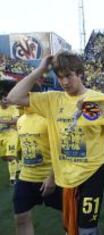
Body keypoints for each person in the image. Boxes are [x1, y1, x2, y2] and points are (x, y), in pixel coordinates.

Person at [7, 52, 104, 235]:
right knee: (73, 229)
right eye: (60, 77)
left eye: (69, 76)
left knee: (86, 229)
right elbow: (12, 98)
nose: (64, 82)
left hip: (92, 173)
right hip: (65, 178)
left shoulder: (97, 100)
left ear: (80, 74)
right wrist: (41, 69)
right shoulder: (52, 100)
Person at [13, 83, 62, 235]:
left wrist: (52, 177)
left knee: (69, 219)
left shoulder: (49, 118)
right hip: (26, 178)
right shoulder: (21, 120)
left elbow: (62, 149)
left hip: (52, 179)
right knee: (21, 218)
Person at [0, 80, 20, 185]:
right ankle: (20, 166)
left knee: (10, 155)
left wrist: (3, 121)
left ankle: (13, 179)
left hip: (11, 134)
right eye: (4, 99)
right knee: (4, 157)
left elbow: (16, 120)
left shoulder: (13, 108)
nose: (6, 101)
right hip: (1, 135)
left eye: (7, 99)